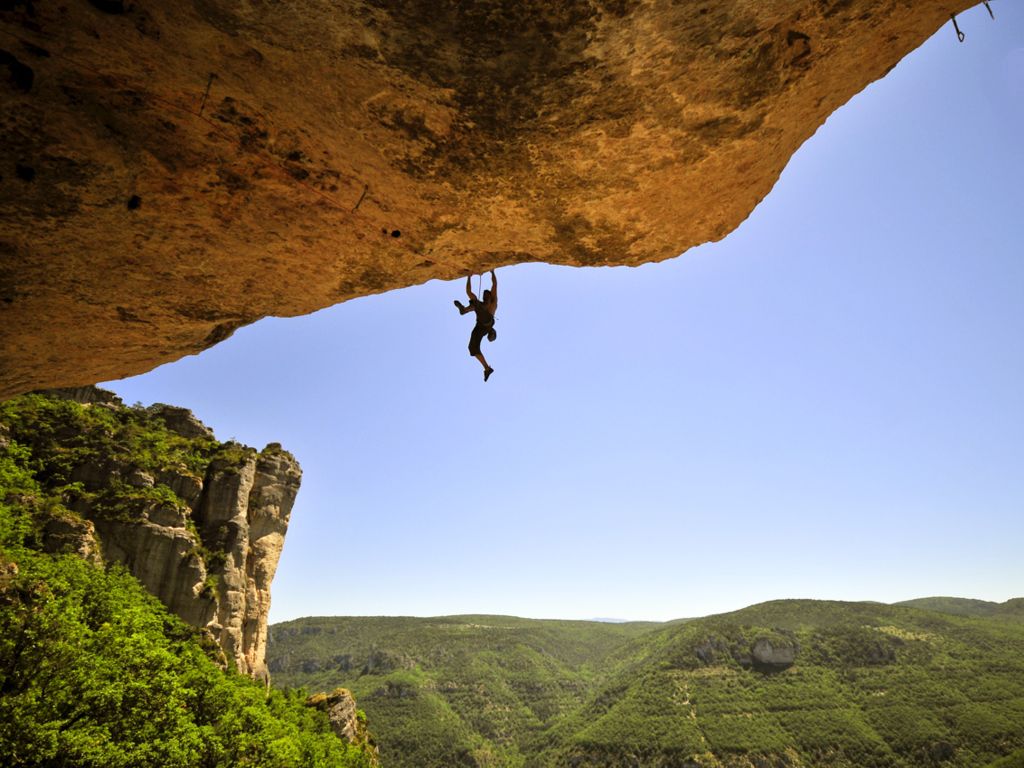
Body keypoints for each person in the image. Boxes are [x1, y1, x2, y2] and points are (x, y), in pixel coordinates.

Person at [454, 270, 497, 381]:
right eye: (483, 296)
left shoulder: (493, 302)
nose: (484, 297)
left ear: (490, 296)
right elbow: (469, 292)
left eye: (486, 296)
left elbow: (494, 285)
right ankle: (487, 369)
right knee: (472, 348)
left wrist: (492, 272)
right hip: (480, 326)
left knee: (476, 305)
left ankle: (464, 310)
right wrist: (468, 277)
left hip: (487, 321)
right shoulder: (482, 304)